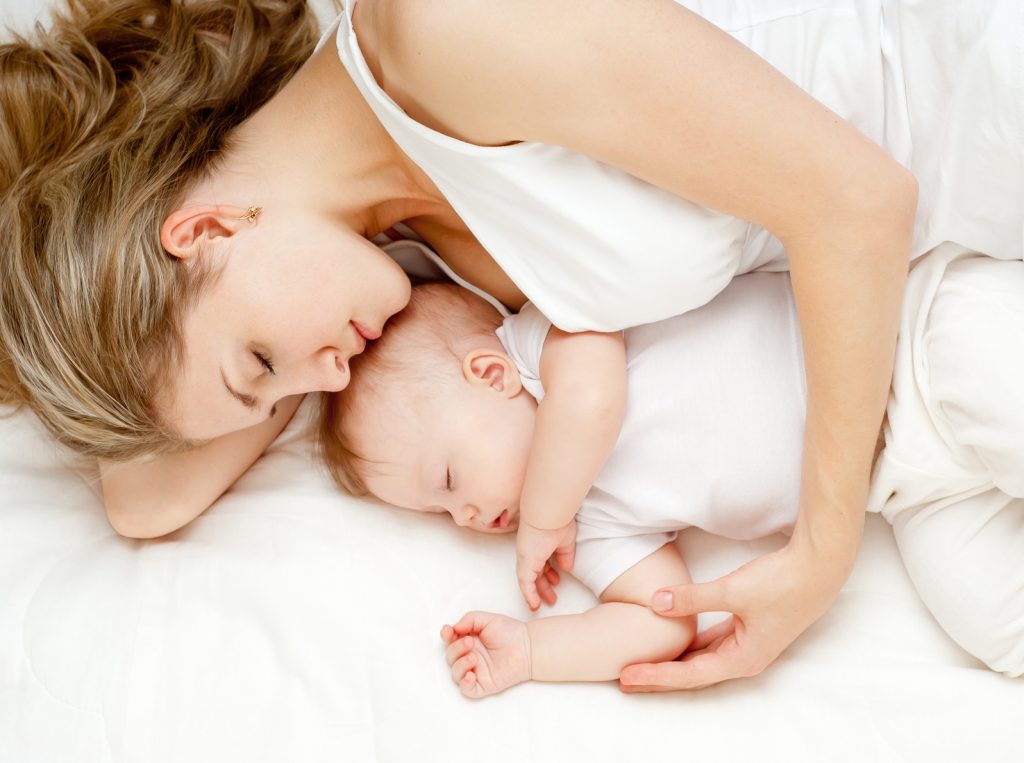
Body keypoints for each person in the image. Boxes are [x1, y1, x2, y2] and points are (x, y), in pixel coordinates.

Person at [1, 0, 1020, 689]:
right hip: (967, 243)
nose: (325, 381)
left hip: (984, 105)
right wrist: (226, 370)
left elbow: (858, 204)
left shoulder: (443, 29)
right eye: (278, 401)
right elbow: (147, 499)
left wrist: (818, 554)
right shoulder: (399, 269)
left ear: (207, 230)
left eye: (262, 367)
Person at [321, 274, 806, 697]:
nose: (463, 516)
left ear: (492, 375)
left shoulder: (545, 347)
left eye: (448, 481)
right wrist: (532, 651)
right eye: (439, 512)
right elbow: (662, 616)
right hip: (874, 476)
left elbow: (593, 399)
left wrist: (543, 517)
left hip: (837, 332)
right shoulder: (581, 531)